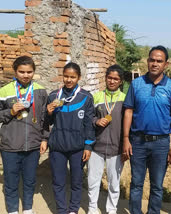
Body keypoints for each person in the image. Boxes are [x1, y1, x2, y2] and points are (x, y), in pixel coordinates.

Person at [122, 45, 171, 214]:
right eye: (152, 60)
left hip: (161, 143)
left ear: (166, 64)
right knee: (136, 183)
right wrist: (126, 138)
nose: (155, 64)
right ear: (147, 61)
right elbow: (128, 111)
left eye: (159, 61)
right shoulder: (136, 84)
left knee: (157, 185)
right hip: (137, 141)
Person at [0, 56, 48, 214]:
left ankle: (28, 208)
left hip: (33, 145)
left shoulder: (40, 91)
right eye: (21, 72)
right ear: (15, 71)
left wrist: (44, 138)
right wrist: (11, 112)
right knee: (11, 181)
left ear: (34, 72)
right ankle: (13, 210)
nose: (26, 75)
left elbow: (44, 118)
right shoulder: (5, 90)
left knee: (29, 180)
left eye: (29, 72)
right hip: (10, 145)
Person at [46, 62, 95, 214]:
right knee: (58, 181)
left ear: (78, 77)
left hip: (77, 148)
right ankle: (61, 209)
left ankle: (73, 209)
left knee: (76, 181)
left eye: (72, 77)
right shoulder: (53, 96)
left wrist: (88, 146)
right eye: (66, 76)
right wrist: (48, 113)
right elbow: (48, 123)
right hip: (57, 147)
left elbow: (89, 124)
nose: (68, 80)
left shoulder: (86, 97)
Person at [87, 65, 126, 214]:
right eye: (109, 78)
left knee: (114, 182)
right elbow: (89, 117)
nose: (112, 81)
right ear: (105, 78)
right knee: (93, 180)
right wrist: (96, 121)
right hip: (97, 146)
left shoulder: (125, 99)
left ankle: (111, 209)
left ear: (120, 81)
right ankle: (92, 207)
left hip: (116, 147)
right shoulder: (96, 97)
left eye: (116, 79)